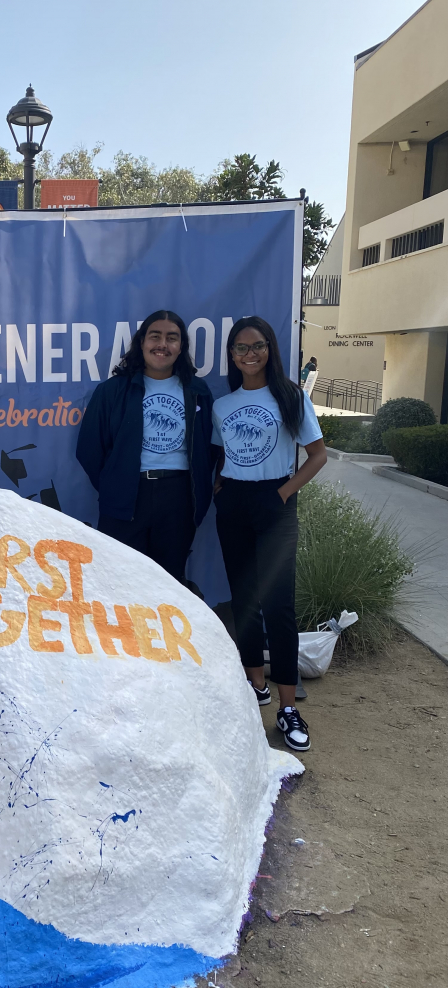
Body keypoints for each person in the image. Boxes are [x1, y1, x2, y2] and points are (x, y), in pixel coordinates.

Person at [212, 316, 327, 754]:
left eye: (256, 346)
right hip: (235, 505)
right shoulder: (224, 405)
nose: (249, 354)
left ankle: (287, 706)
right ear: (233, 356)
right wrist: (224, 487)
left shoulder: (291, 397)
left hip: (276, 503)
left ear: (270, 348)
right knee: (244, 598)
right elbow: (223, 454)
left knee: (278, 606)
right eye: (240, 348)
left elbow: (317, 457)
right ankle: (255, 684)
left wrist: (281, 494)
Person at [75, 310, 215, 583]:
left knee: (169, 583)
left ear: (181, 347)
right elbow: (89, 449)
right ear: (142, 343)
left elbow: (209, 449)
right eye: (155, 336)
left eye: (172, 338)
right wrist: (115, 483)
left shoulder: (198, 391)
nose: (162, 344)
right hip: (126, 498)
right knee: (120, 583)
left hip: (179, 498)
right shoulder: (112, 391)